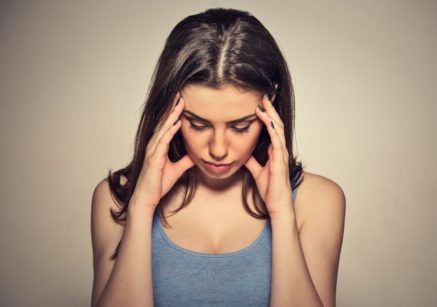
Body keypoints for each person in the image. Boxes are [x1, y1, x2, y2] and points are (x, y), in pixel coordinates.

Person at [90, 7, 345, 307]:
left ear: (271, 105)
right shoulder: (115, 198)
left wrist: (282, 214)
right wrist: (141, 209)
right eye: (197, 124)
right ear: (170, 106)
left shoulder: (319, 201)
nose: (218, 149)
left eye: (240, 126)